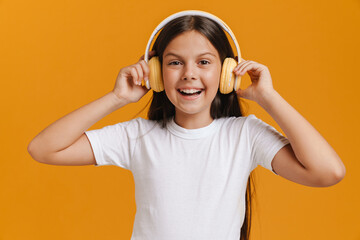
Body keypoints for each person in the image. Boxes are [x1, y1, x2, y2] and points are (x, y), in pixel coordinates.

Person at [28, 11, 345, 240]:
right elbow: (42, 148)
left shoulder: (244, 135)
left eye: (204, 62)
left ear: (226, 73)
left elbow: (328, 172)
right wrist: (116, 98)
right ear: (155, 73)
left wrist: (269, 97)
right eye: (174, 62)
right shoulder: (138, 136)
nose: (189, 74)